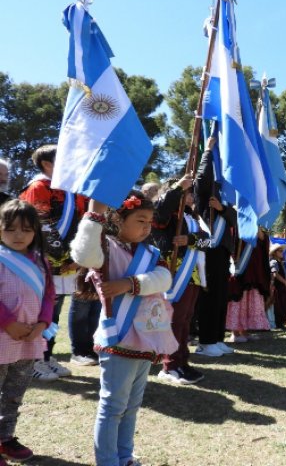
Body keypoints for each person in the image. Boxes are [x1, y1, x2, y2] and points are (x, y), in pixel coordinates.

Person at [70, 192, 178, 466]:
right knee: (113, 406)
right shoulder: (104, 248)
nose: (147, 227)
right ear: (118, 219)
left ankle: (124, 455)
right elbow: (83, 253)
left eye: (150, 222)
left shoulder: (150, 252)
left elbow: (165, 278)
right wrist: (94, 213)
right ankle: (108, 460)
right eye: (140, 220)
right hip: (117, 338)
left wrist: (130, 284)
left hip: (146, 338)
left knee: (131, 404)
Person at [20, 145, 86, 381]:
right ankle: (33, 360)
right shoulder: (38, 187)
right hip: (42, 261)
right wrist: (66, 258)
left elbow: (81, 224)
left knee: (53, 312)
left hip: (66, 262)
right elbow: (43, 226)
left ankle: (46, 356)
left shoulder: (71, 190)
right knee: (40, 310)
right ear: (47, 165)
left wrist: (78, 257)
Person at [0, 200, 55, 463]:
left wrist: (43, 324)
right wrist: (9, 322)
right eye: (10, 229)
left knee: (14, 393)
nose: (18, 235)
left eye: (26, 229)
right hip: (2, 336)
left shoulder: (41, 262)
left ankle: (5, 437)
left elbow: (49, 296)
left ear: (35, 231)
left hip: (29, 340)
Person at [151, 178, 209, 384]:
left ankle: (182, 361)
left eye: (191, 192)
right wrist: (177, 188)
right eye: (189, 191)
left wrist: (190, 240)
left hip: (192, 273)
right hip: (173, 271)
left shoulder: (191, 216)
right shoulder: (167, 214)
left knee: (185, 319)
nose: (192, 196)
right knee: (174, 319)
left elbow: (207, 241)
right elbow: (159, 213)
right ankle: (170, 364)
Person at [193, 136, 238, 357]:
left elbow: (235, 218)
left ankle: (217, 338)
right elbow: (202, 178)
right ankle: (206, 340)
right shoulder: (202, 193)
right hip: (206, 250)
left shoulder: (224, 200)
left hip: (221, 252)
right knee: (209, 297)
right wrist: (208, 152)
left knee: (221, 297)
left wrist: (221, 208)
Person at [226, 228, 272, 340]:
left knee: (249, 300)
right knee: (237, 299)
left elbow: (263, 240)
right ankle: (235, 333)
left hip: (254, 271)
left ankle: (245, 331)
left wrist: (255, 225)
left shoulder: (255, 224)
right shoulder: (234, 223)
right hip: (239, 269)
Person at [270, 243, 286, 328]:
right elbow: (275, 274)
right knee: (279, 305)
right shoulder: (274, 262)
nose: (282, 252)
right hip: (278, 287)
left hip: (283, 287)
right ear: (275, 252)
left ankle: (282, 322)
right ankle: (278, 323)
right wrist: (285, 282)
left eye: (282, 251)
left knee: (284, 304)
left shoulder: (281, 262)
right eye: (280, 251)